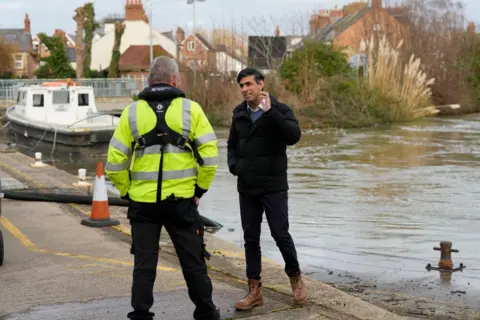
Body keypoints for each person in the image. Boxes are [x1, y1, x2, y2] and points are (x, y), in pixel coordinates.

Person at [105, 56, 220, 320]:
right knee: (193, 262)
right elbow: (211, 158)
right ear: (175, 79)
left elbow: (114, 164)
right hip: (181, 202)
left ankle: (141, 314)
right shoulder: (191, 110)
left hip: (143, 204)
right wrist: (199, 190)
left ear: (148, 80)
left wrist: (126, 191)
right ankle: (206, 313)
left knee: (144, 264)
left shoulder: (131, 112)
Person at [227, 68, 307, 310]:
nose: (244, 89)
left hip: (273, 186)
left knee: (280, 234)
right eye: (241, 85)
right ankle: (254, 290)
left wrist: (271, 112)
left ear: (261, 84)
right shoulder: (239, 113)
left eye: (249, 84)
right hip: (247, 186)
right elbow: (231, 145)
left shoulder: (280, 110)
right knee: (250, 238)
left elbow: (293, 136)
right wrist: (235, 166)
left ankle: (295, 277)